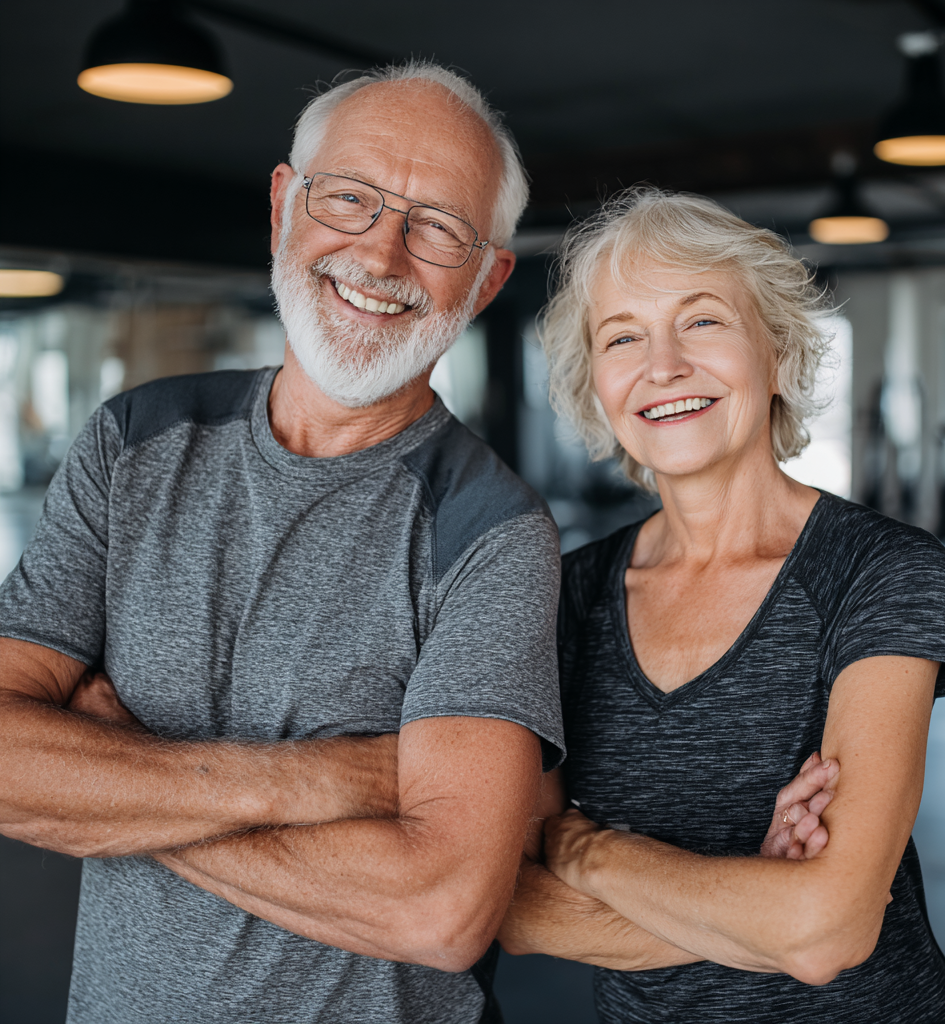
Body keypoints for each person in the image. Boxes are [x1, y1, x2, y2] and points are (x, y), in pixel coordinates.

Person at [0, 62, 565, 1024]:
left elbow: (440, 910)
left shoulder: (493, 533)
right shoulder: (134, 442)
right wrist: (322, 780)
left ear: (487, 277)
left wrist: (118, 774)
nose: (382, 255)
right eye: (350, 199)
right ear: (282, 206)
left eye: (438, 228)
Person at [498, 188, 945, 1023]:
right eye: (623, 337)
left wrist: (585, 849)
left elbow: (829, 933)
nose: (663, 365)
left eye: (704, 320)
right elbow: (515, 914)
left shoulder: (881, 571)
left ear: (779, 354)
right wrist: (765, 905)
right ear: (597, 388)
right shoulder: (564, 598)